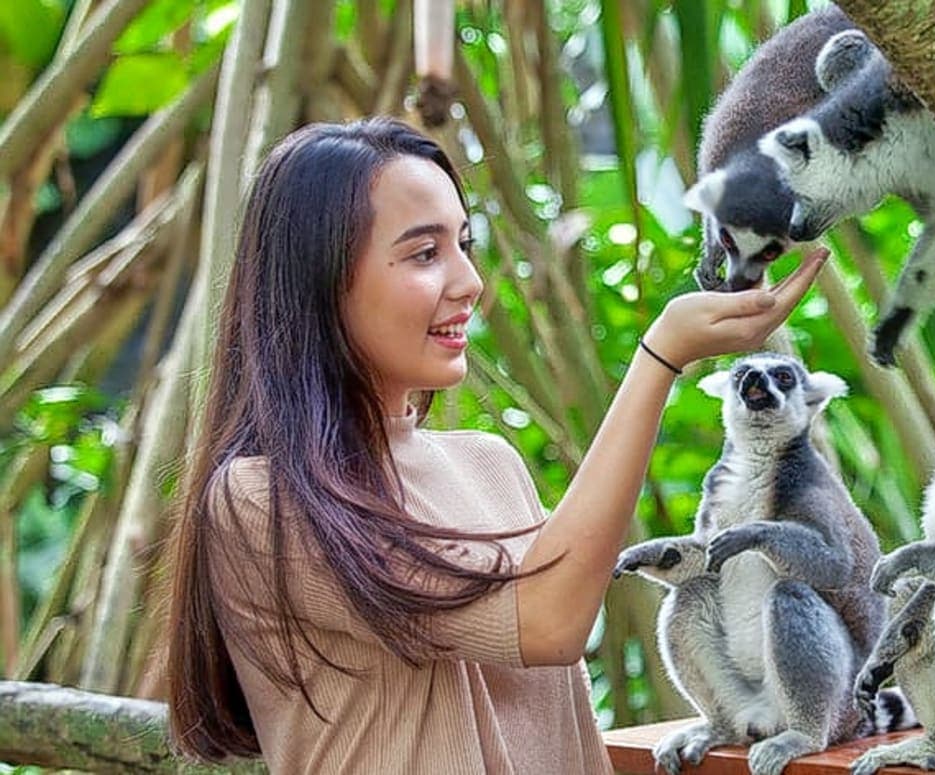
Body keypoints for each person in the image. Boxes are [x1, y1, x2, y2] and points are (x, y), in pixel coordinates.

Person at [163, 117, 828, 772]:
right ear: (323, 278)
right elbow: (545, 621)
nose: (469, 281)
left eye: (464, 244)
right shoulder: (264, 499)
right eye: (425, 254)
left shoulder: (490, 464)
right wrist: (661, 357)